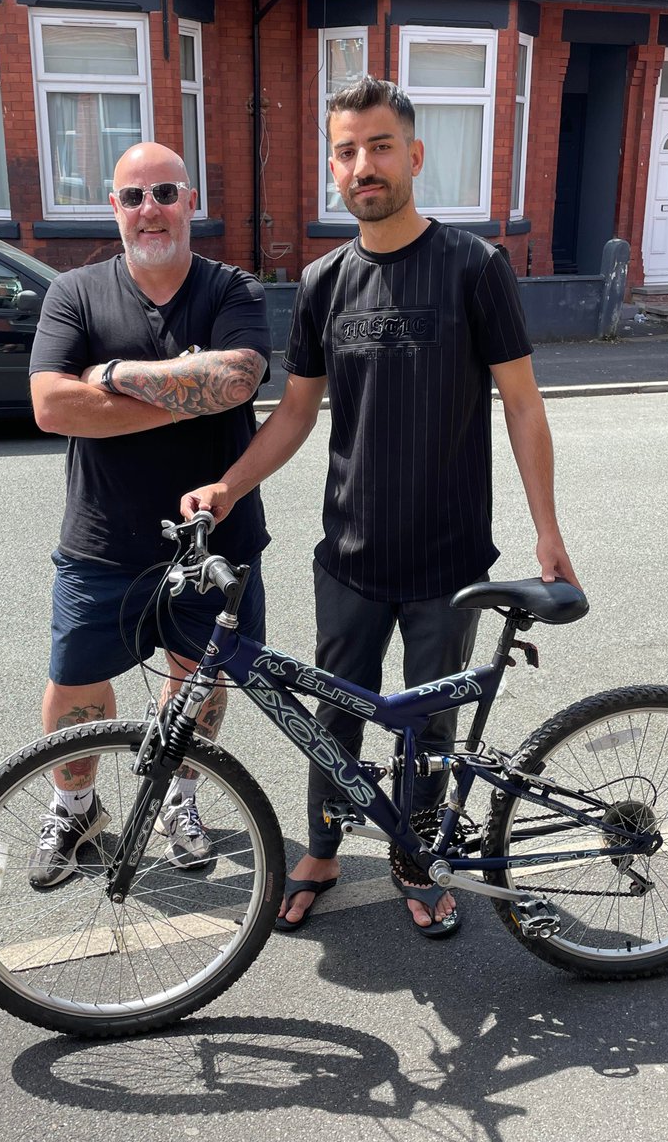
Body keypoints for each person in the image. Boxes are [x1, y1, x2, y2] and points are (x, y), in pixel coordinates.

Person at [182, 76, 579, 938]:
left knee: (430, 723)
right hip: (350, 554)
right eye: (348, 150)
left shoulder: (473, 267)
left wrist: (547, 530)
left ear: (414, 156)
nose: (364, 164)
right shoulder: (325, 281)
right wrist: (230, 485)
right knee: (336, 708)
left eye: (381, 146)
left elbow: (522, 403)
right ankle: (323, 846)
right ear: (335, 165)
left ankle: (414, 856)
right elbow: (295, 412)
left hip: (449, 556)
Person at [27, 142, 271, 887]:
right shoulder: (74, 291)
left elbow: (235, 382)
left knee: (198, 677)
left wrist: (111, 380)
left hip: (215, 536)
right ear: (114, 208)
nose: (149, 209)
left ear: (189, 200)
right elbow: (49, 405)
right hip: (102, 539)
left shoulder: (234, 289)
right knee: (76, 685)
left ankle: (181, 799)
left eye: (164, 192)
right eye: (133, 197)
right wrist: (181, 395)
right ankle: (76, 807)